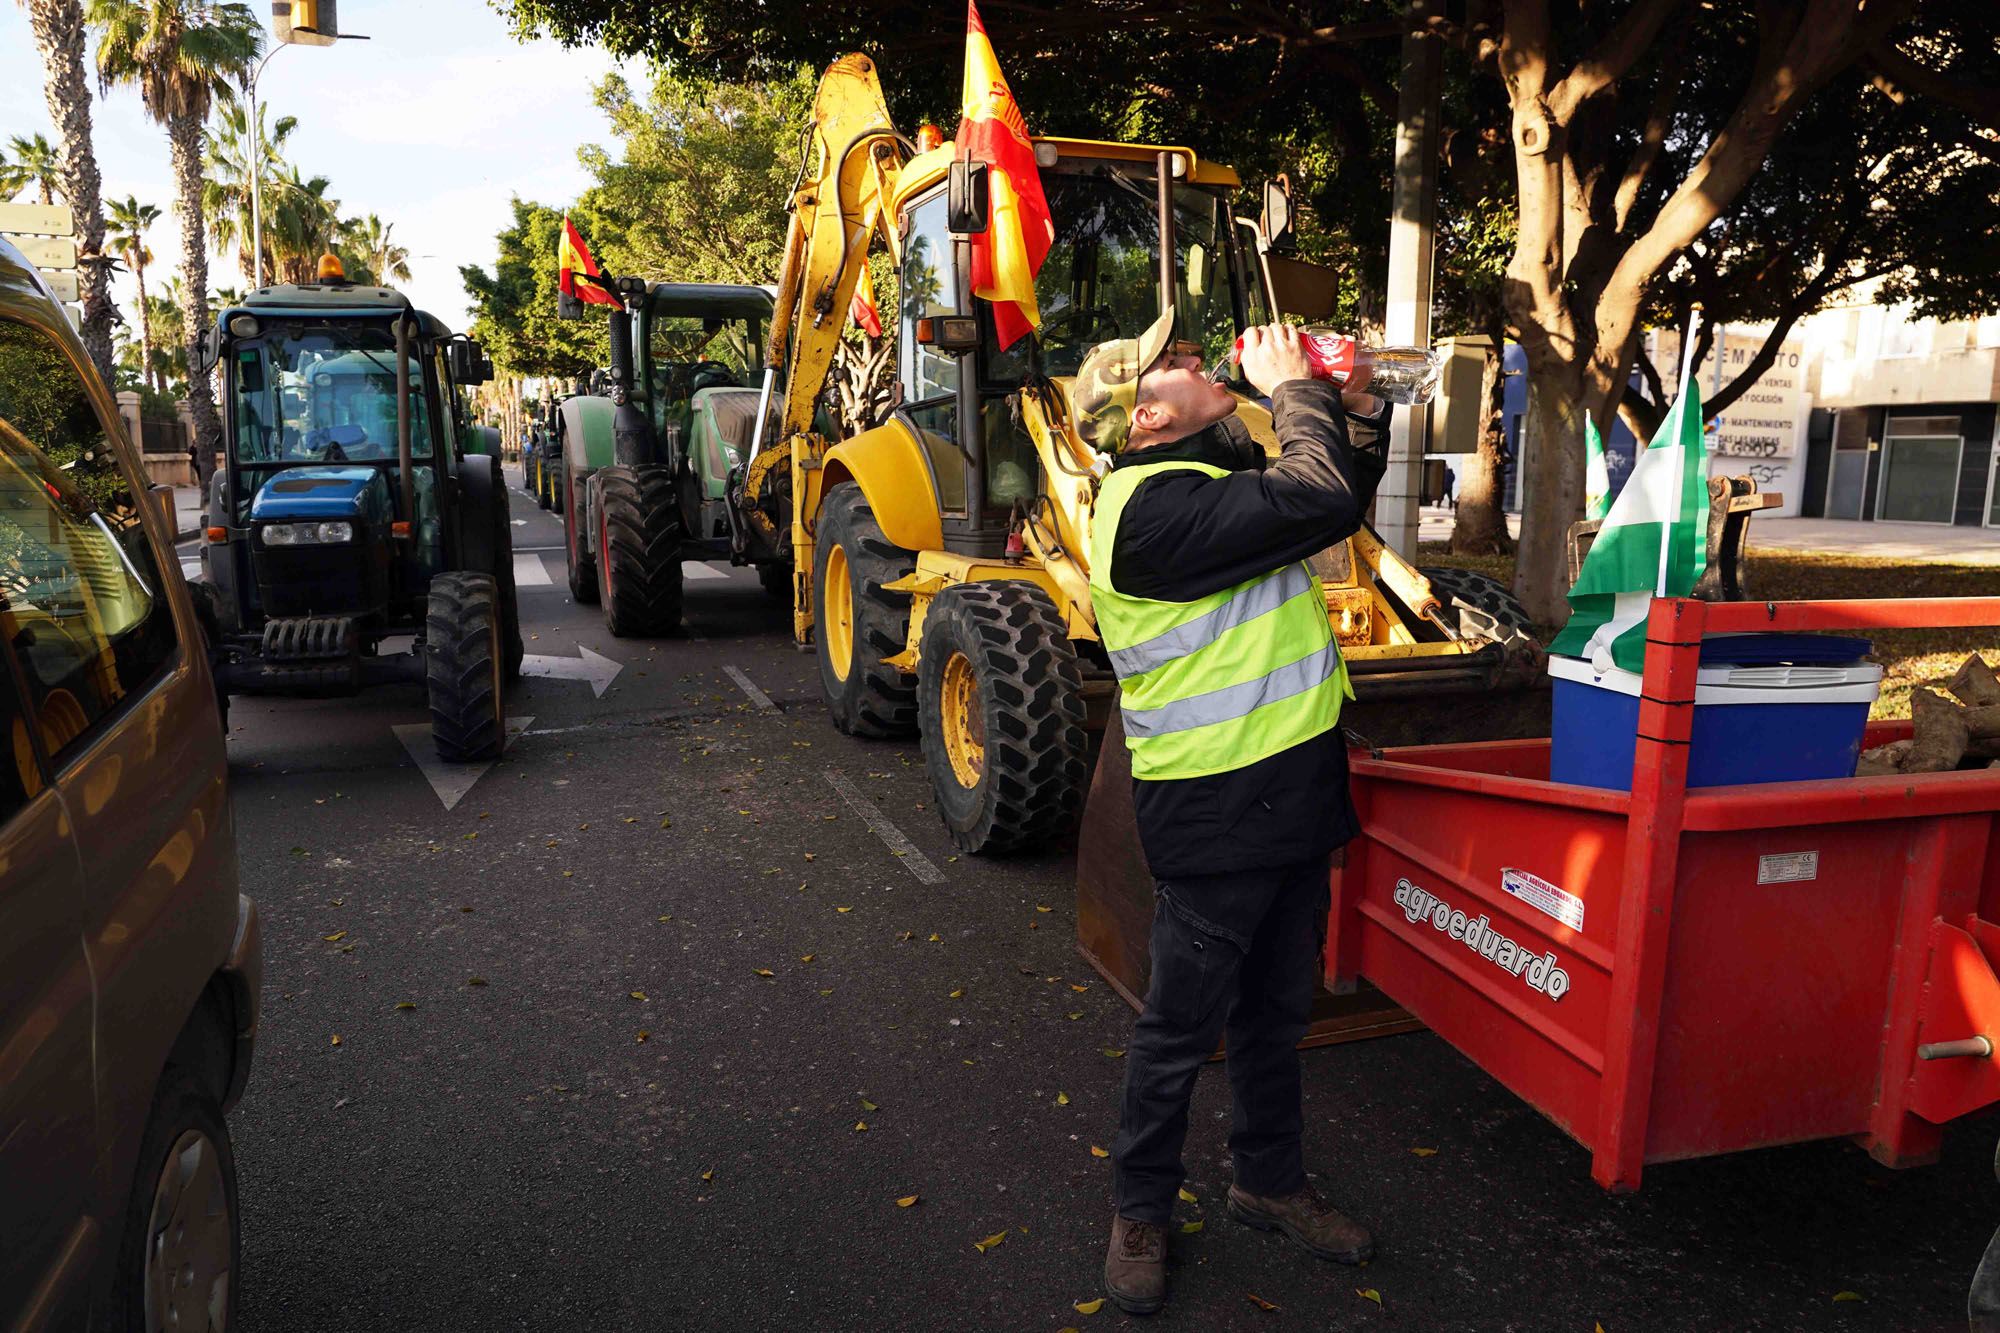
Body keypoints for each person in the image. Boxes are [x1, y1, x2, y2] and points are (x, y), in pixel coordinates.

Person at [1072, 315, 1391, 1316]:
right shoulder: (1139, 512)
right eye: (1174, 361)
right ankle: (1138, 1210)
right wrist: (1293, 382)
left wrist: (1359, 407)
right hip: (1213, 817)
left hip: (1287, 800)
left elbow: (1329, 502)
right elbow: (1317, 492)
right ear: (1150, 411)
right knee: (1178, 1030)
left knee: (1273, 1016)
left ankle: (1266, 1182)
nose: (1199, 362)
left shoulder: (1205, 488)